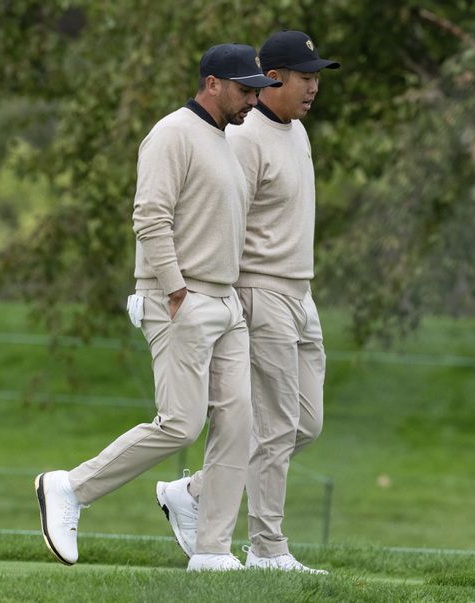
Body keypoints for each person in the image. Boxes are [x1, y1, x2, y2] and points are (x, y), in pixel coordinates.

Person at [35, 43, 281, 573]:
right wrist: (174, 289)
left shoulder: (228, 140)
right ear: (212, 83)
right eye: (245, 90)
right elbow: (150, 216)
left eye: (257, 90)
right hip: (180, 298)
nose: (252, 100)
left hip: (225, 301)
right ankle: (70, 487)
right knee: (181, 424)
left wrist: (227, 294)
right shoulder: (172, 133)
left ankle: (213, 549)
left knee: (239, 424)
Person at [156, 30, 339, 574]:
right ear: (273, 78)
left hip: (301, 294)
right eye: (305, 78)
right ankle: (267, 548)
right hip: (260, 293)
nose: (313, 88)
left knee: (304, 424)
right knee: (276, 426)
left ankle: (194, 490)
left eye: (316, 78)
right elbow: (221, 222)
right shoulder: (245, 137)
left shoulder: (298, 131)